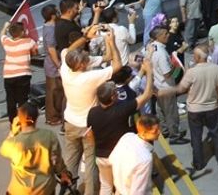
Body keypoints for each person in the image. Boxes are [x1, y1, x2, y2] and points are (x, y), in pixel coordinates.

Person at [60, 34, 122, 191]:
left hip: (70, 123)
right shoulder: (90, 78)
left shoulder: (65, 70)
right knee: (90, 164)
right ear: (81, 65)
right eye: (86, 60)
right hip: (87, 127)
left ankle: (68, 188)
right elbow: (117, 66)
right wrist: (111, 42)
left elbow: (69, 50)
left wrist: (86, 36)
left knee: (71, 160)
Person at [87, 62, 154, 195]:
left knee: (105, 186)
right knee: (120, 187)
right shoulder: (121, 110)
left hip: (101, 156)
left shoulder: (92, 112)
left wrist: (96, 149)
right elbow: (147, 95)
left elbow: (90, 135)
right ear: (112, 97)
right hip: (118, 156)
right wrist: (149, 72)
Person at [0, 102, 72, 195]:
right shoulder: (49, 135)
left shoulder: (14, 142)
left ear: (18, 120)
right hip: (45, 189)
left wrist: (13, 132)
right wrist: (63, 174)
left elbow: (2, 150)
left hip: (20, 191)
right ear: (36, 118)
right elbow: (57, 161)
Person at [176, 45, 218, 172]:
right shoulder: (216, 69)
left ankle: (198, 162)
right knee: (216, 132)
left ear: (198, 57)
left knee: (196, 136)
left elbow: (181, 89)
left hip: (195, 109)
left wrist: (186, 71)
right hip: (212, 107)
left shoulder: (191, 72)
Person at [108, 113, 162, 195]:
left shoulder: (127, 136)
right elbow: (138, 191)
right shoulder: (145, 159)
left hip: (119, 189)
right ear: (144, 132)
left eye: (159, 129)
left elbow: (111, 159)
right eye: (155, 131)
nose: (159, 132)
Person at [0, 20, 38, 123]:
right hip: (23, 75)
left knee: (10, 101)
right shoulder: (29, 42)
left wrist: (5, 26)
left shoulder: (7, 42)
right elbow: (35, 52)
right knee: (23, 100)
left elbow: (2, 35)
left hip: (8, 76)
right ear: (21, 32)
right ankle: (23, 121)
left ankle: (13, 122)